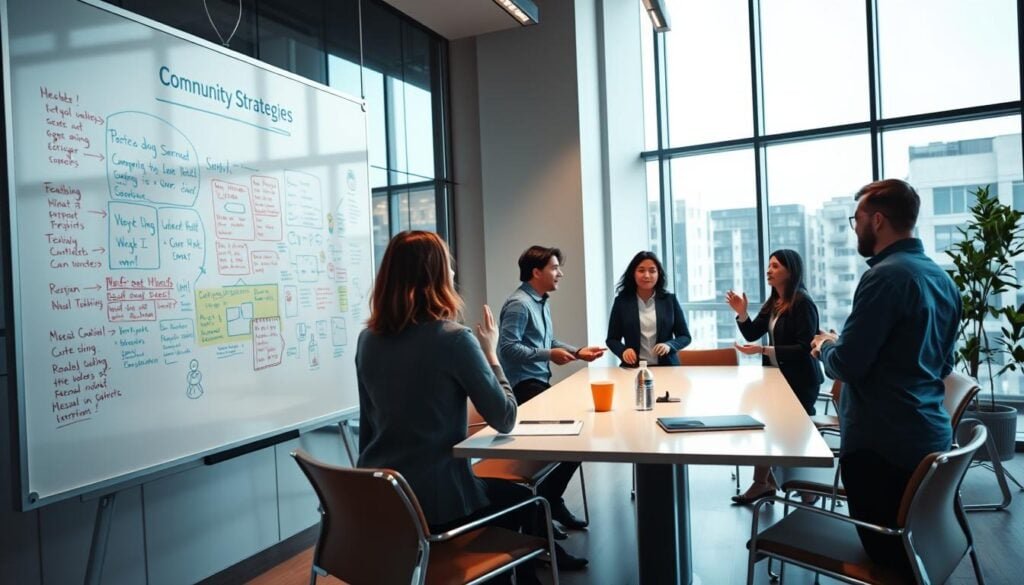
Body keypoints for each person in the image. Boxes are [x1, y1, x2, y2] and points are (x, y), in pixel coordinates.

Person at [355, 231, 561, 584]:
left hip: (384, 503)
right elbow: (506, 417)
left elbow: (368, 425)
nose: (452, 275)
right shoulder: (453, 339)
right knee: (527, 499)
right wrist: (492, 353)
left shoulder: (368, 339)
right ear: (434, 277)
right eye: (448, 268)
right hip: (439, 506)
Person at [810, 179, 960, 578]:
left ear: (877, 220)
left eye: (855, 218)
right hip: (929, 442)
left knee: (890, 564)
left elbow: (847, 365)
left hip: (881, 455)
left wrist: (825, 346)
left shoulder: (884, 278)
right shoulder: (942, 279)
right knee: (910, 559)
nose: (854, 226)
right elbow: (942, 364)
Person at [498, 245, 604, 550]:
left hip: (537, 382)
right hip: (524, 388)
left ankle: (550, 503)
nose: (561, 273)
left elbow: (545, 341)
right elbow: (507, 349)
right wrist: (549, 354)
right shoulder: (519, 304)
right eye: (555, 268)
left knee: (578, 438)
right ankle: (542, 514)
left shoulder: (540, 302)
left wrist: (576, 351)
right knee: (570, 442)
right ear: (536, 272)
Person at [725, 248, 824, 504]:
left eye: (776, 266)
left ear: (791, 271)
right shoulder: (775, 303)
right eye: (769, 265)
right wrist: (742, 313)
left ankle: (806, 487)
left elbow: (805, 348)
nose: (769, 270)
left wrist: (764, 350)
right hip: (777, 380)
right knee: (763, 427)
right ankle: (763, 483)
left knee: (790, 432)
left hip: (800, 382)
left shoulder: (803, 303)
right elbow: (751, 333)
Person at [606, 251, 692, 367]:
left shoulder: (669, 300)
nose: (647, 275)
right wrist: (623, 351)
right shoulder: (622, 302)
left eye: (652, 271)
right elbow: (612, 339)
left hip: (666, 367)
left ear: (658, 274)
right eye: (641, 270)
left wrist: (669, 345)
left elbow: (685, 336)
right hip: (634, 368)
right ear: (633, 273)